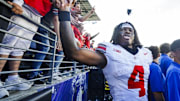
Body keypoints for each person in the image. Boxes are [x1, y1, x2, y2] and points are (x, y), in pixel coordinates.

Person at [57, 0, 153, 100]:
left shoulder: (145, 53)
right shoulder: (110, 52)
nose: (127, 31)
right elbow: (74, 52)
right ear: (116, 35)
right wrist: (64, 12)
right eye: (123, 29)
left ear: (135, 35)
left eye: (130, 30)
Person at [0, 0, 51, 98]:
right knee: (9, 42)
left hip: (38, 13)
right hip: (25, 6)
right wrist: (18, 2)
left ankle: (12, 78)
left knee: (21, 46)